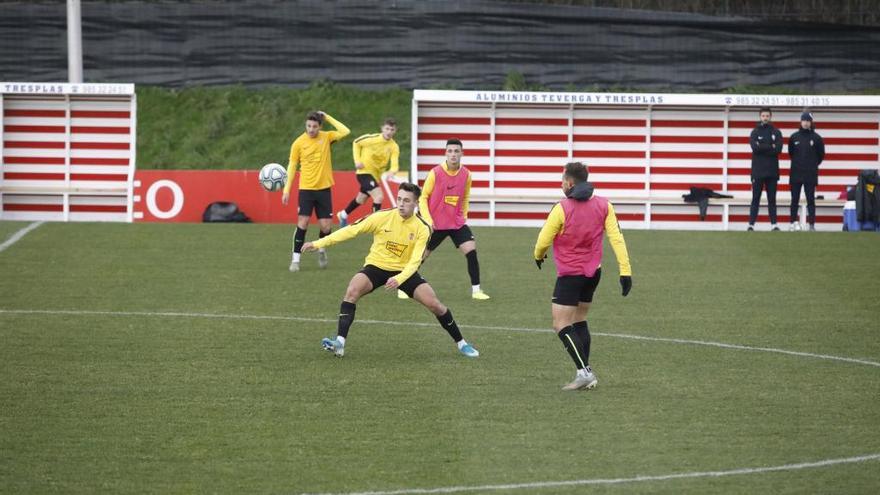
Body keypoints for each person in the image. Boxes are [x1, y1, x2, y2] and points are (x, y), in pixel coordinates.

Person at [302, 182, 480, 359]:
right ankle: (339, 343)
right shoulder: (382, 217)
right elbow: (351, 230)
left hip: (404, 271)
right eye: (399, 199)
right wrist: (318, 244)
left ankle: (462, 344)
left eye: (407, 200)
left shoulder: (422, 228)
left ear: (416, 203)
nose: (401, 204)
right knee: (352, 290)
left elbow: (415, 262)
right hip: (376, 266)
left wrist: (400, 278)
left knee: (435, 304)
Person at [533, 162, 632, 391]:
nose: (560, 185)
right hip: (593, 273)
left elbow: (543, 239)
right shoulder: (605, 205)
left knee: (560, 324)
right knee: (579, 320)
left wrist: (538, 255)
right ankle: (586, 372)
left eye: (561, 181)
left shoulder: (562, 207)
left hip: (570, 275)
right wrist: (625, 271)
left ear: (569, 183)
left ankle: (584, 372)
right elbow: (617, 238)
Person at [404, 138, 490, 301]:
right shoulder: (435, 172)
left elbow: (465, 197)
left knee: (471, 252)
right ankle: (403, 284)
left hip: (456, 224)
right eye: (450, 151)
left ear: (461, 154)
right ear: (445, 153)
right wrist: (428, 220)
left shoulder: (467, 174)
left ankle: (476, 290)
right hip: (435, 224)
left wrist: (463, 215)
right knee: (420, 257)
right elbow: (423, 198)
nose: (453, 154)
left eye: (456, 151)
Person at [282, 110, 350, 272]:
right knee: (303, 222)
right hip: (306, 189)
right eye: (308, 126)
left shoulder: (326, 137)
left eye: (314, 126)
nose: (311, 129)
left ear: (320, 126)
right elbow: (292, 166)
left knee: (326, 227)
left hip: (324, 189)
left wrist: (327, 117)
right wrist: (286, 189)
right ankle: (295, 260)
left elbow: (345, 131)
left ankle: (321, 249)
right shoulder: (298, 143)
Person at [336, 118, 401, 227]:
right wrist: (357, 161)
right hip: (364, 173)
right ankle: (375, 224)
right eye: (387, 128)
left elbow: (395, 164)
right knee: (379, 197)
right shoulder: (371, 138)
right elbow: (356, 142)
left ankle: (343, 214)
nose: (389, 131)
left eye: (392, 129)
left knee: (360, 200)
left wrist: (392, 171)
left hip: (375, 177)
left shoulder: (394, 146)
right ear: (382, 129)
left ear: (395, 131)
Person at [788, 112, 825, 231]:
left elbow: (821, 155)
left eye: (808, 121)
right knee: (794, 199)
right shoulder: (794, 137)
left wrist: (812, 164)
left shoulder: (817, 138)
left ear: (811, 122)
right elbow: (791, 153)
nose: (805, 123)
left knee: (810, 200)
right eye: (804, 120)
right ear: (800, 121)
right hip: (796, 172)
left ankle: (812, 225)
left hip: (810, 173)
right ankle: (792, 223)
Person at [748, 107, 784, 231]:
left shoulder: (776, 132)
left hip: (772, 172)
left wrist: (762, 146)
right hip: (757, 171)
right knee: (755, 198)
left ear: (770, 117)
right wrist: (770, 146)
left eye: (767, 116)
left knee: (772, 199)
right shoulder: (755, 132)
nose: (765, 118)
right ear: (760, 117)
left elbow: (778, 149)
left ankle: (774, 224)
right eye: (763, 115)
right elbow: (755, 148)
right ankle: (751, 224)